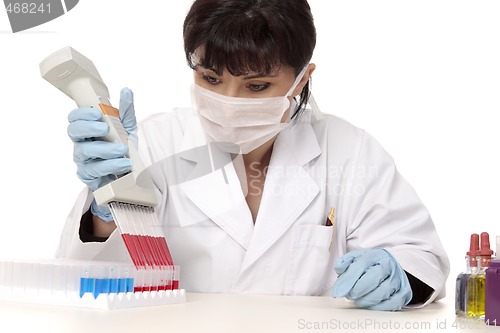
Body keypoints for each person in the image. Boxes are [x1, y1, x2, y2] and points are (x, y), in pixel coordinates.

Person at [57, 0, 449, 311]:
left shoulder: (348, 151)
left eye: (257, 85)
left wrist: (398, 276)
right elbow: (84, 282)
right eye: (210, 79)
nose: (228, 102)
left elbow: (422, 260)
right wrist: (103, 213)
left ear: (302, 79)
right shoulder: (156, 144)